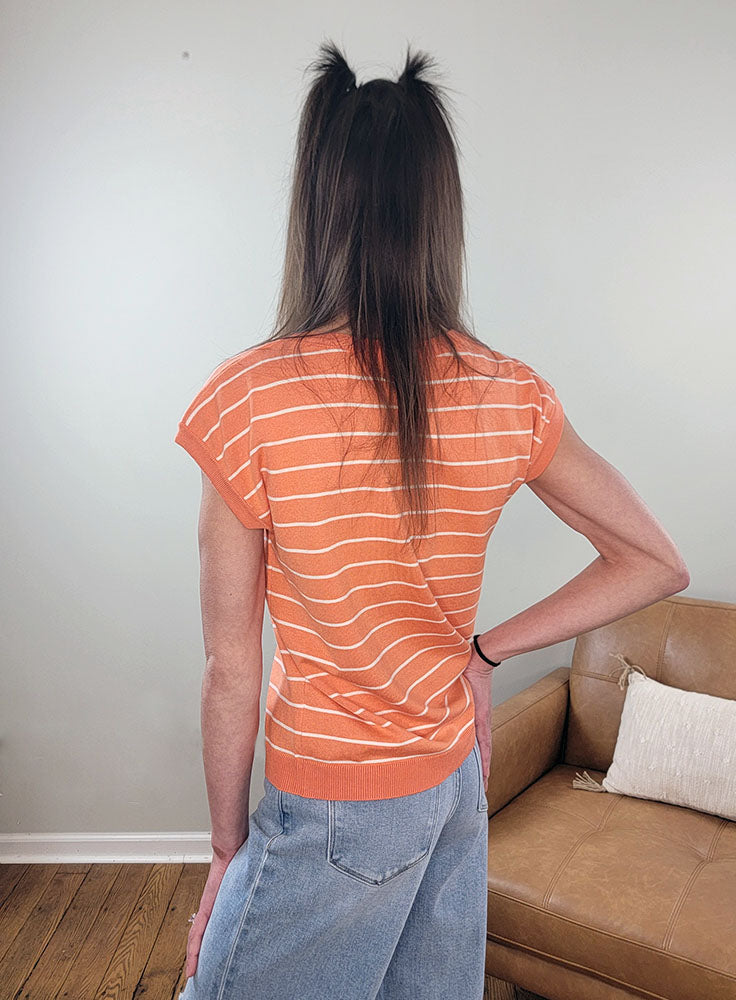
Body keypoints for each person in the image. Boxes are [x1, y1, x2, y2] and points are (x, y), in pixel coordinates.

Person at [173, 39, 690, 1000]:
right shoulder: (509, 394)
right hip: (452, 783)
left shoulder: (249, 400)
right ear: (440, 211)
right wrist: (483, 656)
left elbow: (230, 668)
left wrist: (225, 852)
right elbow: (652, 559)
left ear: (315, 203)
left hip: (333, 801)